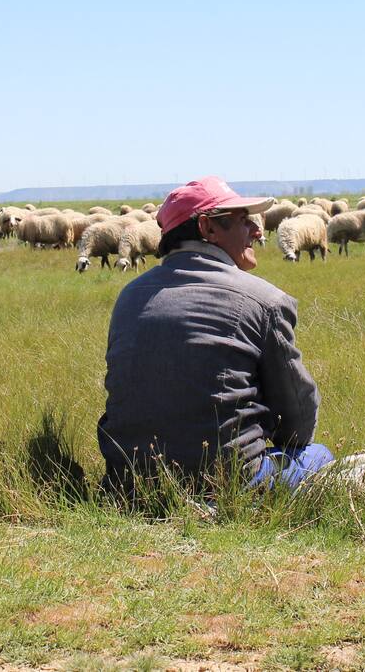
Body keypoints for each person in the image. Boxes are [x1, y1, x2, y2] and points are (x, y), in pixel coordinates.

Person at [97, 176, 334, 495]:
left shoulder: (129, 296)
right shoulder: (265, 301)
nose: (258, 230)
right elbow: (296, 420)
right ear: (208, 228)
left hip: (129, 480)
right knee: (318, 456)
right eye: (243, 221)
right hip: (226, 481)